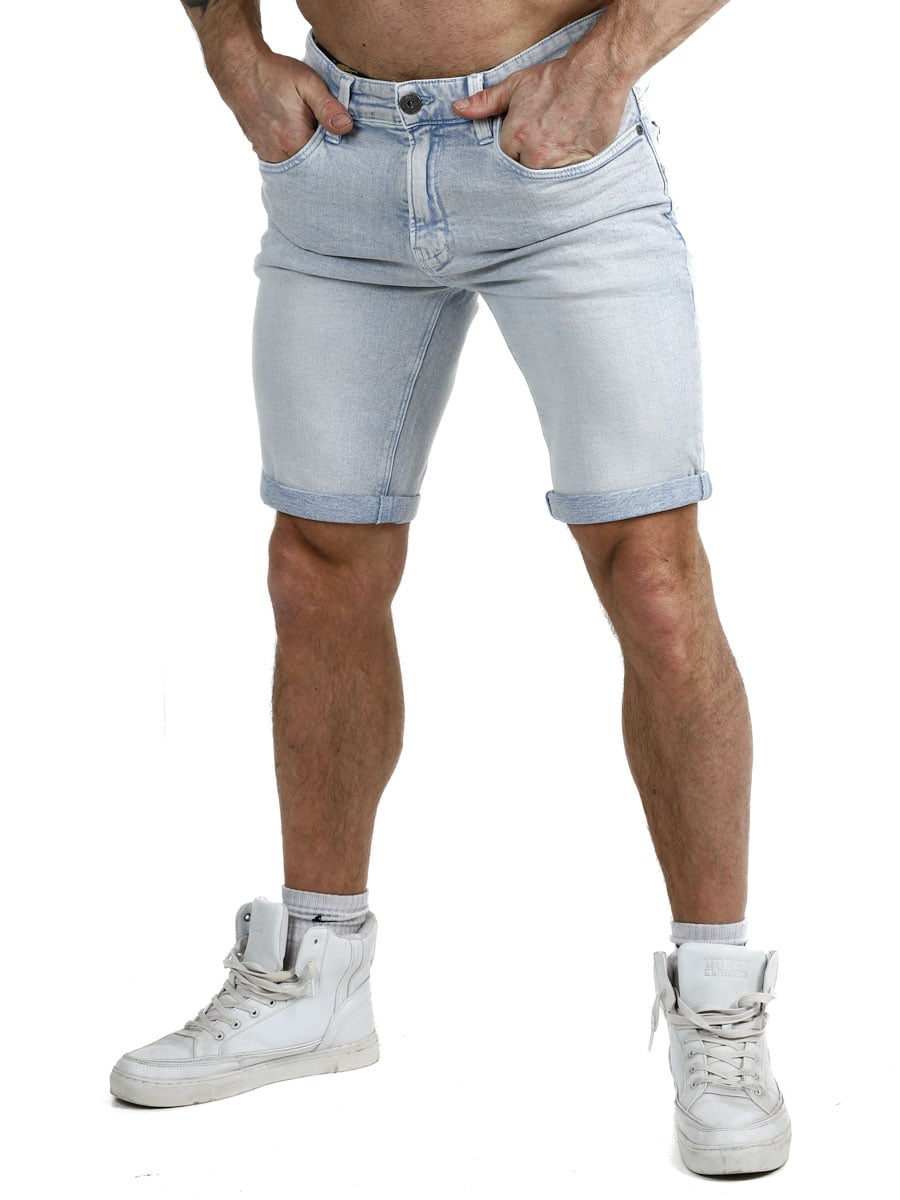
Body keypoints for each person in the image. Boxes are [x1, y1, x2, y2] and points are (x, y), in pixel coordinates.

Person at [110, 0, 791, 1176]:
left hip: (561, 171)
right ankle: (318, 975)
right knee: (317, 566)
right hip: (338, 165)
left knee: (653, 578)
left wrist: (608, 63)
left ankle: (720, 1000)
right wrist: (229, 49)